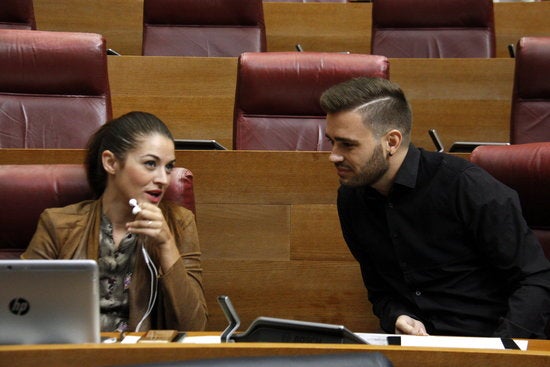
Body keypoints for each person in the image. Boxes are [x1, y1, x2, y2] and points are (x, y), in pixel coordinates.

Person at [320, 77, 550, 339]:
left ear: (391, 142)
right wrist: (397, 316)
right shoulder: (351, 199)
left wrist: (502, 352)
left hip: (487, 341)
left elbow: (535, 280)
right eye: (331, 142)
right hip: (414, 349)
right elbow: (380, 291)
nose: (333, 155)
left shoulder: (466, 186)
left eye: (347, 144)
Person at [22, 111, 208, 332]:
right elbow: (20, 309)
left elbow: (195, 327)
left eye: (168, 167)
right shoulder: (58, 225)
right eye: (150, 164)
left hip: (145, 360)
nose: (163, 179)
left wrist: (166, 245)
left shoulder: (179, 224)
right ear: (111, 162)